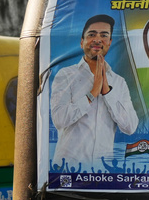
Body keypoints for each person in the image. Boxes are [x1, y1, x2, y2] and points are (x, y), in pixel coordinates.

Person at [50, 14, 139, 170]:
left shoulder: (119, 82)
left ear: (110, 42)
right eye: (92, 34)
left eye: (104, 35)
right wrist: (91, 94)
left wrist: (107, 92)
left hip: (103, 171)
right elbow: (59, 120)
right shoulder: (65, 75)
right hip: (68, 169)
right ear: (82, 41)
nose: (98, 39)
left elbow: (130, 127)